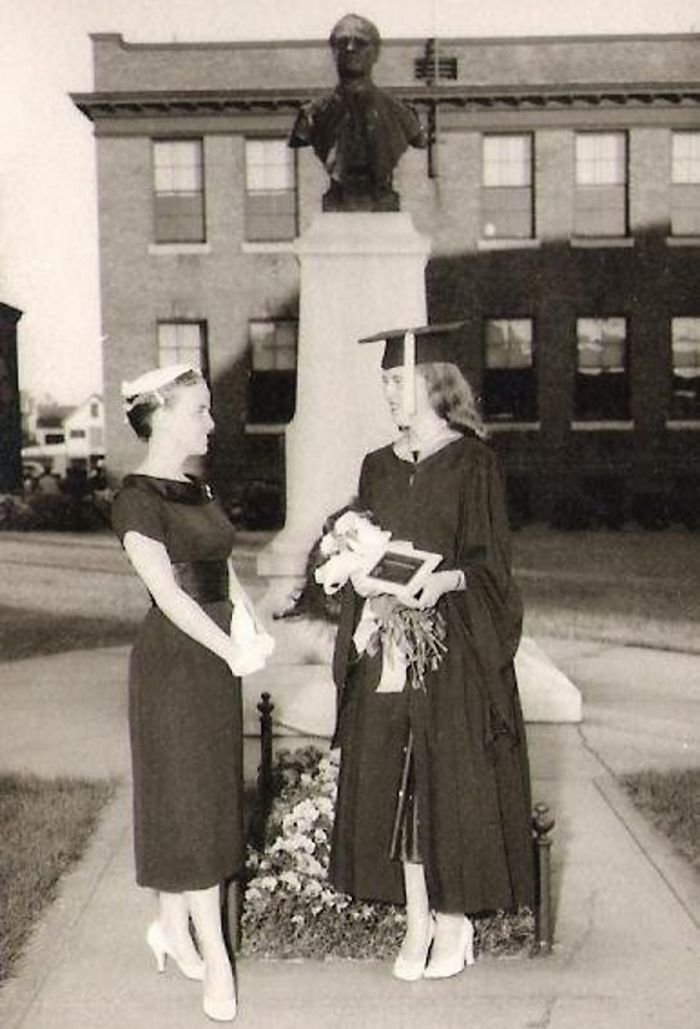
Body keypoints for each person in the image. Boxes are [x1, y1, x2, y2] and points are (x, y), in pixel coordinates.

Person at [329, 325, 534, 980]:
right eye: (385, 380)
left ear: (433, 381)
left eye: (398, 379)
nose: (388, 390)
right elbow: (364, 539)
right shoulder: (377, 465)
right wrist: (349, 565)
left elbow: (492, 569)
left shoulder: (474, 463)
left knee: (446, 782)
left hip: (454, 647)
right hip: (391, 643)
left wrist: (439, 580)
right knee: (399, 781)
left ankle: (455, 920)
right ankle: (417, 918)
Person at [111, 364, 273, 1022]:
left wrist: (252, 621)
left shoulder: (196, 486)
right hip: (176, 664)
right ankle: (216, 961)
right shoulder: (134, 499)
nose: (210, 422)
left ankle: (171, 928)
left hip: (213, 663)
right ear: (164, 415)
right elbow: (171, 594)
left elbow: (222, 568)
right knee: (191, 803)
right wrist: (230, 646)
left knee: (202, 794)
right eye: (200, 411)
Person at [289, 13, 426, 211]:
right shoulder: (311, 115)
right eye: (342, 42)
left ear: (376, 53)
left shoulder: (402, 113)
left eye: (360, 43)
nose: (350, 48)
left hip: (384, 205)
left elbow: (419, 139)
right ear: (333, 51)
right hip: (337, 205)